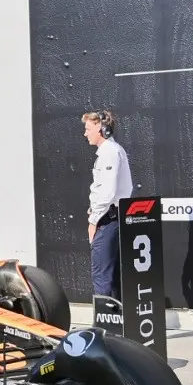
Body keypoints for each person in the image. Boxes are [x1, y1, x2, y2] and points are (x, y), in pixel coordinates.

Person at [83, 109, 133, 299]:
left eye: (88, 129)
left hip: (107, 220)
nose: (85, 133)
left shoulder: (109, 152)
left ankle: (105, 326)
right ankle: (114, 325)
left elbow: (109, 191)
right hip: (112, 217)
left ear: (102, 129)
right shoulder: (112, 151)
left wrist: (94, 220)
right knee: (111, 275)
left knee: (102, 276)